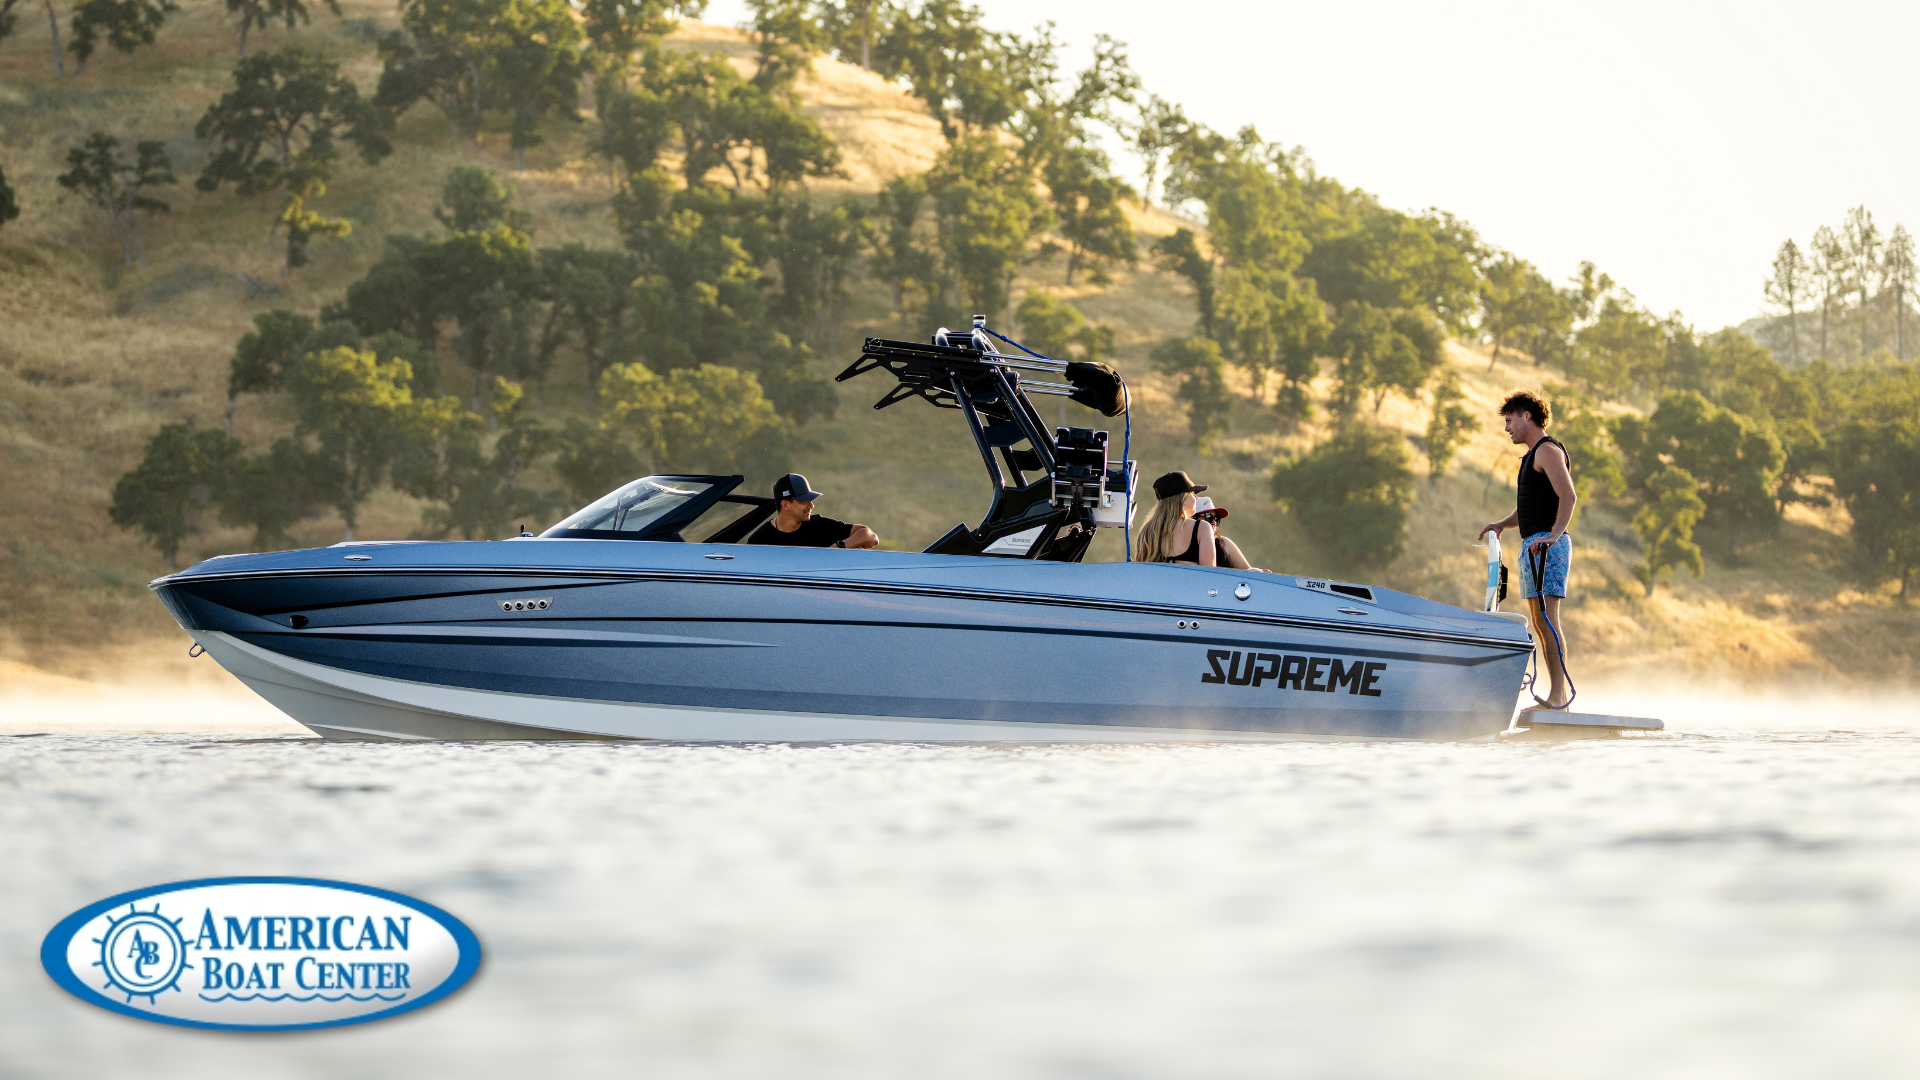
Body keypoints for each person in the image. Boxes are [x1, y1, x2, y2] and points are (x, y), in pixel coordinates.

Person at [1477, 389, 1578, 710]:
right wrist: (1500, 525)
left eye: (1509, 421)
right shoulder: (1531, 457)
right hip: (1533, 544)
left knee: (1549, 621)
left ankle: (1559, 697)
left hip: (1547, 545)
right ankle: (1554, 696)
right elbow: (1528, 509)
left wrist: (1553, 535)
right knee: (1538, 623)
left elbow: (1569, 496)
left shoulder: (1547, 450)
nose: (1507, 428)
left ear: (1527, 416)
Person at [747, 473, 880, 549]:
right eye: (803, 501)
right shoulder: (759, 541)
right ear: (785, 505)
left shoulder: (819, 526)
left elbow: (870, 537)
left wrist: (839, 547)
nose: (811, 505)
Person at [1136, 471, 1216, 565]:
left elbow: (1140, 572)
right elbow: (1209, 574)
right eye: (1192, 493)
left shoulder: (1146, 532)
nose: (1196, 498)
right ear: (1183, 498)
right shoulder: (1202, 528)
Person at [1192, 497, 1265, 572]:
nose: (1214, 522)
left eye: (1216, 518)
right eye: (1208, 517)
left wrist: (1259, 572)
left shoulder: (1223, 543)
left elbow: (1248, 573)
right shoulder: (1183, 545)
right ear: (1193, 519)